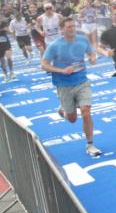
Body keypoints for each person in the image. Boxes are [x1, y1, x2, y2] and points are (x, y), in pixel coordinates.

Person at [41, 17, 101, 157]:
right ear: (62, 29)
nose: (72, 29)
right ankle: (64, 110)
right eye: (68, 27)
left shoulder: (83, 40)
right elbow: (44, 65)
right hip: (64, 85)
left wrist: (92, 57)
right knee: (72, 119)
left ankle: (90, 144)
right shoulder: (55, 45)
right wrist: (62, 71)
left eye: (73, 26)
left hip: (82, 81)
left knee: (86, 111)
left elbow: (91, 51)